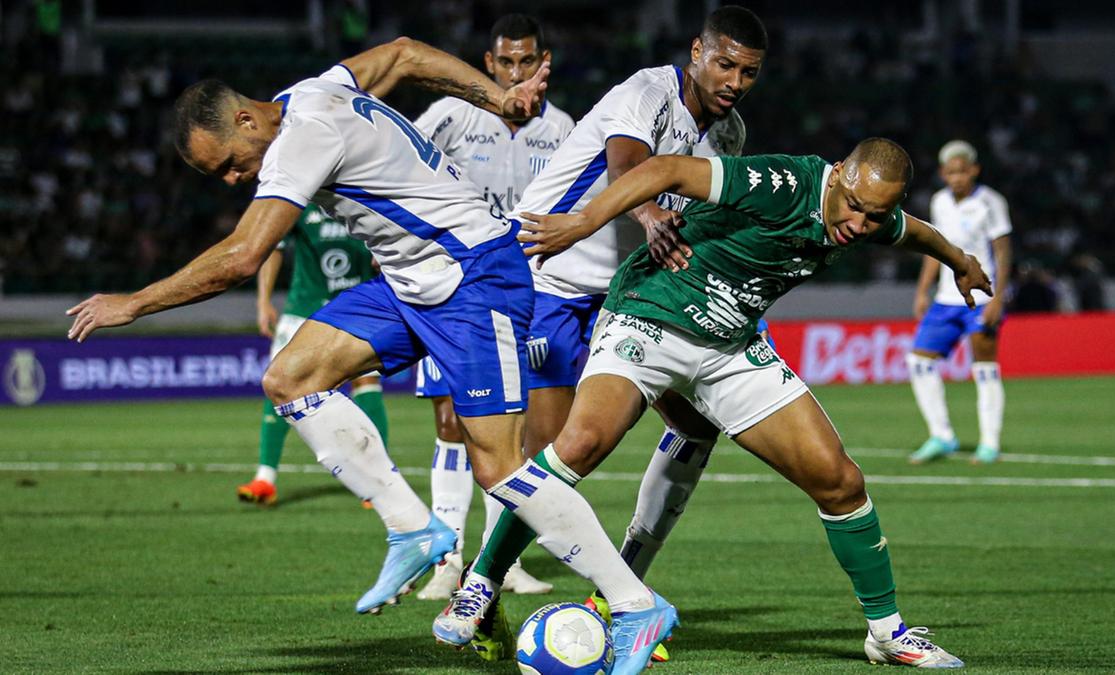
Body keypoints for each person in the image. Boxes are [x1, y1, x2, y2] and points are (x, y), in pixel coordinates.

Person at [66, 36, 675, 675]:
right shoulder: (315, 90)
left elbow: (243, 258)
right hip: (409, 284)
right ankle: (413, 528)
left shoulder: (302, 136)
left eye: (227, 163)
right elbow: (407, 55)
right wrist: (497, 96)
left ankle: (635, 603)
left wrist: (133, 303)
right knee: (289, 376)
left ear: (247, 120)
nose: (231, 179)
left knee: (499, 469)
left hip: (475, 280)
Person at [510, 138, 992, 668]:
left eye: (874, 216)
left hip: (731, 346)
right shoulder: (782, 184)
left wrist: (961, 260)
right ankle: (482, 586)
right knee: (576, 448)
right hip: (656, 312)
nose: (859, 225)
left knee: (841, 482)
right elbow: (667, 168)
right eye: (854, 206)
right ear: (838, 176)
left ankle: (886, 632)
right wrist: (583, 222)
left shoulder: (870, 215)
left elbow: (913, 232)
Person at [433, 6, 764, 665]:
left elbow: (705, 215)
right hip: (548, 275)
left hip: (631, 295)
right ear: (696, 52)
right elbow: (627, 163)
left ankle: (618, 596)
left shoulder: (730, 132)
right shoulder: (647, 92)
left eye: (748, 71)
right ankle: (480, 584)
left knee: (695, 427)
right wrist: (647, 214)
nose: (733, 80)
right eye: (723, 63)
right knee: (558, 449)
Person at [410, 13, 572, 600]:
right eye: (506, 62)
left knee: (511, 430)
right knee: (453, 424)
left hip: (522, 291)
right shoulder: (453, 115)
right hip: (449, 283)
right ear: (488, 64)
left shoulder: (563, 130)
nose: (515, 71)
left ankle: (496, 560)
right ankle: (445, 562)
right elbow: (403, 166)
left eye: (526, 61)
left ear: (542, 62)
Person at [238, 204, 385, 506]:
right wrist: (263, 301)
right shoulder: (301, 200)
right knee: (279, 383)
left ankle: (377, 479)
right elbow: (273, 247)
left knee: (365, 382)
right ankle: (265, 479)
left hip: (355, 304)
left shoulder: (360, 195)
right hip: (303, 308)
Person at [907, 140, 1011, 465]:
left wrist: (999, 298)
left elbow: (1004, 252)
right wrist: (923, 290)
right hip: (945, 300)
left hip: (982, 297)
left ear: (974, 170)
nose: (956, 178)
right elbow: (934, 250)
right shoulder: (939, 202)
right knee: (919, 361)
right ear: (942, 174)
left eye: (962, 172)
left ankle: (989, 443)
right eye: (950, 172)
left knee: (984, 367)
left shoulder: (990, 202)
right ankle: (942, 436)